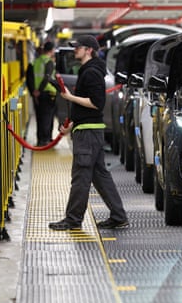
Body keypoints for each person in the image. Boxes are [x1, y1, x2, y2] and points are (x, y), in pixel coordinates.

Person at [48, 35, 129, 231]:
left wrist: (70, 97)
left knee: (81, 176)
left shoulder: (91, 73)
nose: (75, 50)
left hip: (88, 134)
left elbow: (96, 103)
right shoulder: (89, 71)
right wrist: (71, 125)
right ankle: (118, 216)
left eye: (78, 47)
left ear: (89, 50)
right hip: (89, 130)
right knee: (99, 175)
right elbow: (87, 109)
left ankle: (73, 220)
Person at [32, 41, 57, 146]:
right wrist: (40, 90)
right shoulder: (49, 62)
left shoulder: (36, 61)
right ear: (51, 51)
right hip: (47, 92)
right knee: (48, 117)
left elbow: (33, 77)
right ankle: (46, 140)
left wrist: (35, 91)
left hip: (38, 93)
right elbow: (47, 78)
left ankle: (41, 139)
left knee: (40, 117)